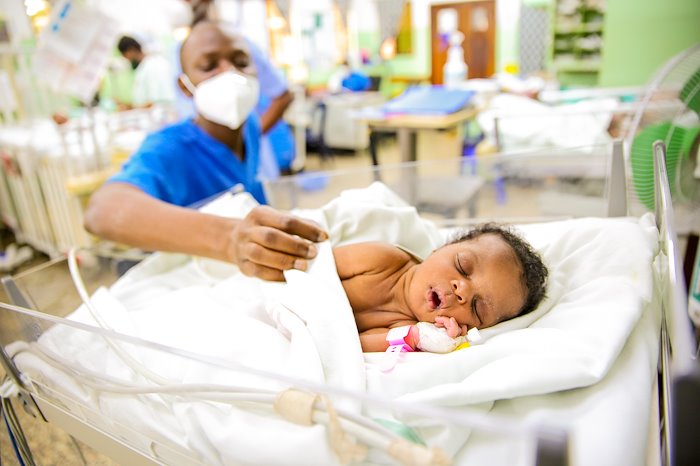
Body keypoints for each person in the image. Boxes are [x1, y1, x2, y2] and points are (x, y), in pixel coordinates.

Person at [84, 21, 326, 281]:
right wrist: (229, 238)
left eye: (241, 61)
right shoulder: (171, 146)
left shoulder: (250, 127)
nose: (230, 72)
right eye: (210, 66)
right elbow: (102, 211)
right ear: (185, 86)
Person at [334, 223, 548, 353]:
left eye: (477, 308)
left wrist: (419, 337)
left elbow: (348, 344)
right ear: (439, 249)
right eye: (462, 266)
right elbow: (314, 264)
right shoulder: (383, 259)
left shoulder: (407, 326)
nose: (462, 290)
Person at [116, 35, 177, 109]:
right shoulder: (144, 67)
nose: (127, 60)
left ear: (131, 50)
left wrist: (130, 107)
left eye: (126, 56)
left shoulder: (152, 66)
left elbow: (154, 102)